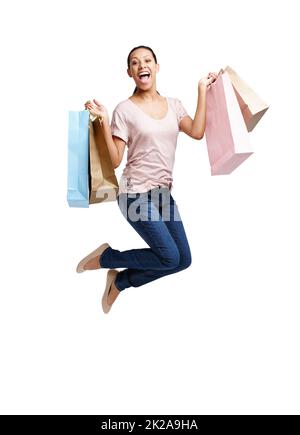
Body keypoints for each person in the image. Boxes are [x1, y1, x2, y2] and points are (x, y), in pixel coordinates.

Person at [77, 45, 218, 313]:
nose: (142, 65)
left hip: (162, 195)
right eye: (134, 62)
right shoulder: (124, 110)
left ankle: (120, 281)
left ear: (156, 66)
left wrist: (202, 88)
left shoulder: (174, 106)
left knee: (182, 260)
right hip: (133, 193)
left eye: (147, 60)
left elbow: (198, 132)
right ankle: (107, 258)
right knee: (168, 257)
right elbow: (116, 160)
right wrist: (104, 121)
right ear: (129, 72)